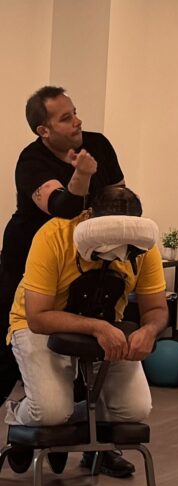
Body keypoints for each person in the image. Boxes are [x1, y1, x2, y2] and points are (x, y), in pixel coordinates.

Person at [4, 186, 166, 477]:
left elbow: (156, 309)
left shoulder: (142, 245)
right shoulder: (54, 235)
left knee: (134, 412)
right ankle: (20, 418)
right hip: (38, 324)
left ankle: (65, 420)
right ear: (90, 217)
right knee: (50, 410)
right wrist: (97, 327)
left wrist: (150, 331)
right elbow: (38, 316)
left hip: (105, 328)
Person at [0, 86, 125, 401]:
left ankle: (87, 441)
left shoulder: (99, 144)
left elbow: (119, 200)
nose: (78, 122)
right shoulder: (31, 161)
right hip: (28, 257)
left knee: (82, 347)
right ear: (44, 130)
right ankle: (21, 428)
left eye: (75, 113)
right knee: (8, 351)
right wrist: (82, 174)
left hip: (80, 261)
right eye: (66, 118)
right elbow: (63, 209)